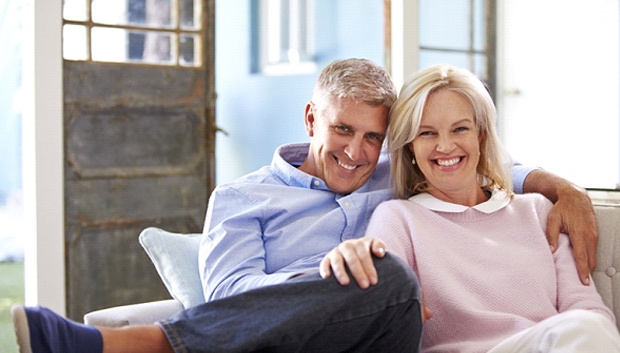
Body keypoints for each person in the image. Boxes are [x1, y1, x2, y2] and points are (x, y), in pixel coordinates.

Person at [11, 58, 599, 353]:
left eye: (374, 137)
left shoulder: (401, 172)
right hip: (291, 343)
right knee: (383, 275)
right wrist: (330, 273)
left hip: (380, 340)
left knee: (388, 278)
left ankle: (147, 346)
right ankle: (153, 344)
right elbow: (233, 299)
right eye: (344, 130)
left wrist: (561, 187)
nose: (356, 152)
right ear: (312, 117)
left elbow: (476, 165)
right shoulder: (242, 200)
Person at [363, 64, 620, 352]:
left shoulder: (537, 212)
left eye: (460, 129)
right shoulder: (398, 219)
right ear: (410, 145)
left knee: (590, 326)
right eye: (427, 133)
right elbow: (383, 314)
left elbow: (587, 308)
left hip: (551, 345)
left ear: (481, 135)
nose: (445, 146)